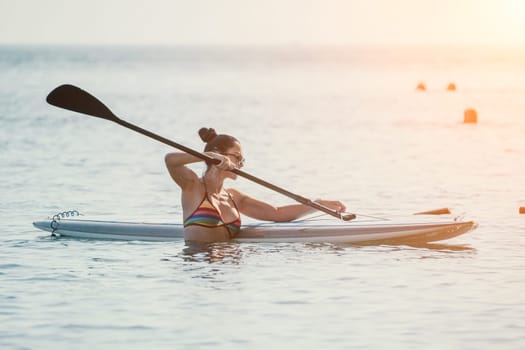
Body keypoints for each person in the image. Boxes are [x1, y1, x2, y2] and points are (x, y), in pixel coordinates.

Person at [165, 128, 346, 243]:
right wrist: (213, 156)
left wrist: (319, 204)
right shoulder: (193, 187)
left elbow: (277, 214)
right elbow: (171, 160)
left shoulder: (234, 197)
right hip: (200, 272)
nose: (241, 164)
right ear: (219, 154)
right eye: (237, 157)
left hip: (230, 275)